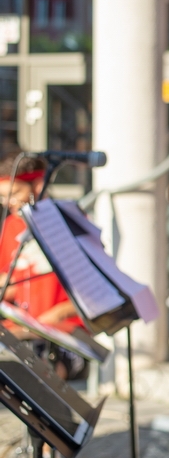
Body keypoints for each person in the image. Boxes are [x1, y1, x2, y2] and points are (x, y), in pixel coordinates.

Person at [0, 151, 85, 380]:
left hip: (63, 333)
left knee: (38, 374)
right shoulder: (10, 225)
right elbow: (13, 285)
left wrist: (51, 317)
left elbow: (92, 288)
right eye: (4, 197)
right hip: (23, 328)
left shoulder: (66, 221)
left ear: (37, 185)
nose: (9, 203)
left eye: (15, 193)